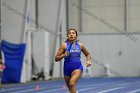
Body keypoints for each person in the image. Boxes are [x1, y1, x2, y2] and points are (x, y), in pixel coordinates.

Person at [55, 28, 91, 93]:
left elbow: (88, 54)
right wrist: (63, 55)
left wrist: (88, 61)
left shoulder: (80, 45)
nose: (71, 34)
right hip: (67, 69)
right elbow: (56, 58)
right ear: (67, 36)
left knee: (72, 84)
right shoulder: (64, 45)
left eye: (73, 33)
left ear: (76, 36)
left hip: (77, 68)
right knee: (71, 89)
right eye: (69, 33)